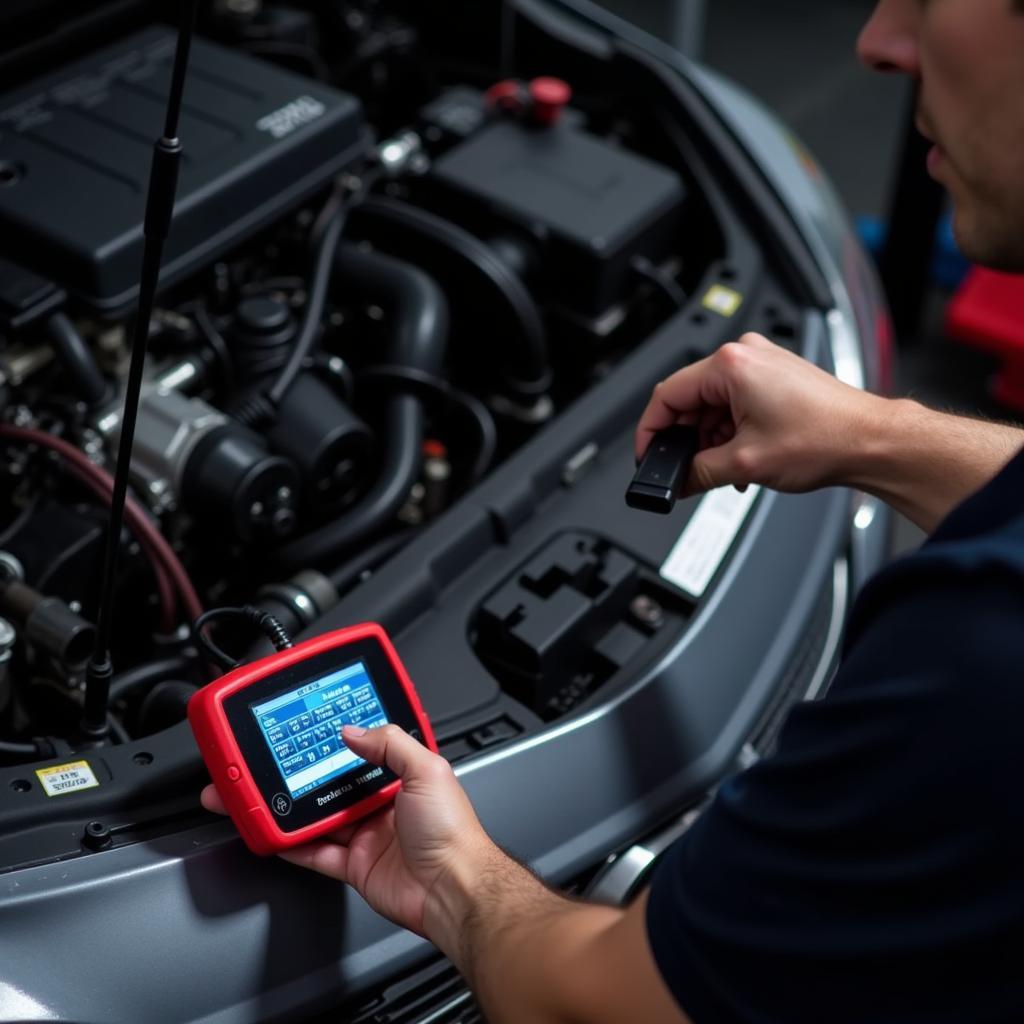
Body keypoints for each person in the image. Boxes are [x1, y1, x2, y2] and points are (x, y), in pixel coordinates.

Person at [203, 0, 1024, 1020]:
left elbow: (599, 1008)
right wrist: (875, 435)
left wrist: (453, 879)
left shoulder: (979, 661)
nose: (877, 40)